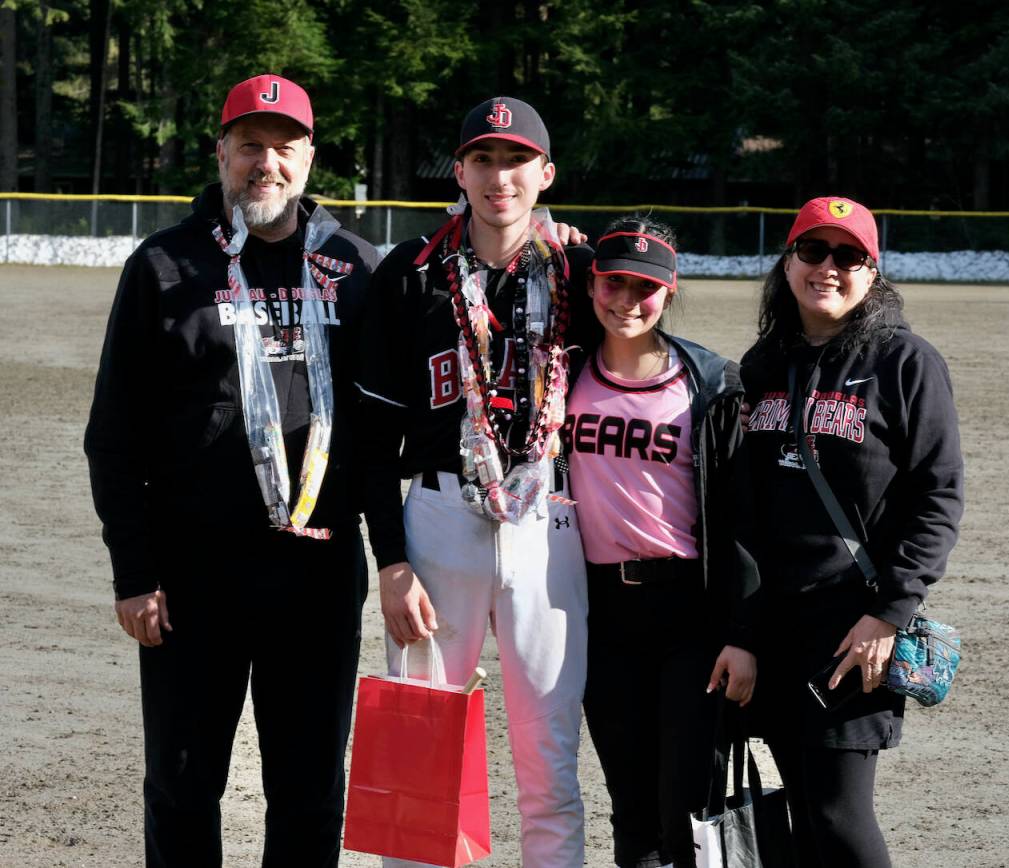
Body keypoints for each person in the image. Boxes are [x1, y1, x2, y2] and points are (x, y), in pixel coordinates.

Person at [84, 74, 379, 867]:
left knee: (311, 790)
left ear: (310, 156)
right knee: (182, 786)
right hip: (192, 576)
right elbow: (112, 435)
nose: (266, 163)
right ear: (221, 151)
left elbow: (387, 431)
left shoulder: (357, 268)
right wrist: (134, 571)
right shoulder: (162, 266)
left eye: (284, 147)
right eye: (250, 145)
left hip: (317, 575)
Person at [355, 97, 591, 867]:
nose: (500, 177)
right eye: (483, 159)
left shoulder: (581, 274)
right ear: (458, 171)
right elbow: (368, 435)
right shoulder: (410, 272)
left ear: (545, 174)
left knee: (548, 765)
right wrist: (389, 561)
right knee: (418, 759)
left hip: (546, 522)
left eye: (517, 159)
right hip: (436, 519)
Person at [740, 196, 964, 867]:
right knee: (799, 814)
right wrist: (742, 630)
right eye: (813, 251)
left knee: (839, 813)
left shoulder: (905, 363)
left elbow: (938, 495)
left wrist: (888, 613)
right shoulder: (761, 364)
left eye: (848, 256)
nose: (828, 268)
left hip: (853, 628)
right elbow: (744, 507)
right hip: (775, 626)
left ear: (873, 273)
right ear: (788, 264)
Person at [563, 215, 758, 868]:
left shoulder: (709, 384)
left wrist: (741, 632)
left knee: (690, 806)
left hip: (688, 617)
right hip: (599, 614)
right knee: (632, 806)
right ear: (591, 284)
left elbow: (742, 520)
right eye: (613, 283)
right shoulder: (562, 376)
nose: (625, 301)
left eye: (643, 287)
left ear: (669, 290)